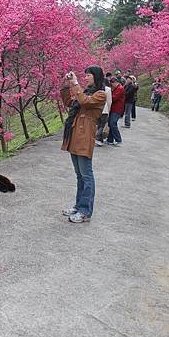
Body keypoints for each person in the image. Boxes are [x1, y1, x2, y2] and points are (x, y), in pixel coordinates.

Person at [60, 66, 106, 223]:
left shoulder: (100, 94)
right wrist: (67, 85)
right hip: (75, 136)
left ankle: (85, 211)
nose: (86, 78)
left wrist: (76, 84)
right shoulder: (85, 92)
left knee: (86, 175)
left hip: (85, 137)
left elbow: (85, 102)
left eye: (88, 75)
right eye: (85, 75)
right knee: (79, 175)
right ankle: (78, 206)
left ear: (96, 77)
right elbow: (68, 102)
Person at [106, 76, 125, 145]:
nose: (111, 85)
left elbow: (114, 98)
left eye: (112, 83)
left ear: (115, 82)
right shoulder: (116, 88)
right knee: (111, 123)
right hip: (114, 108)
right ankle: (110, 139)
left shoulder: (120, 88)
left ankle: (118, 139)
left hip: (117, 109)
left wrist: (107, 96)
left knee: (112, 123)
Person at [95, 78, 112, 146]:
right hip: (104, 110)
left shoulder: (96, 88)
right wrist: (109, 110)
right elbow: (109, 101)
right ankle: (98, 138)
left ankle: (99, 139)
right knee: (102, 125)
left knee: (99, 125)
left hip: (97, 110)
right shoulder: (108, 89)